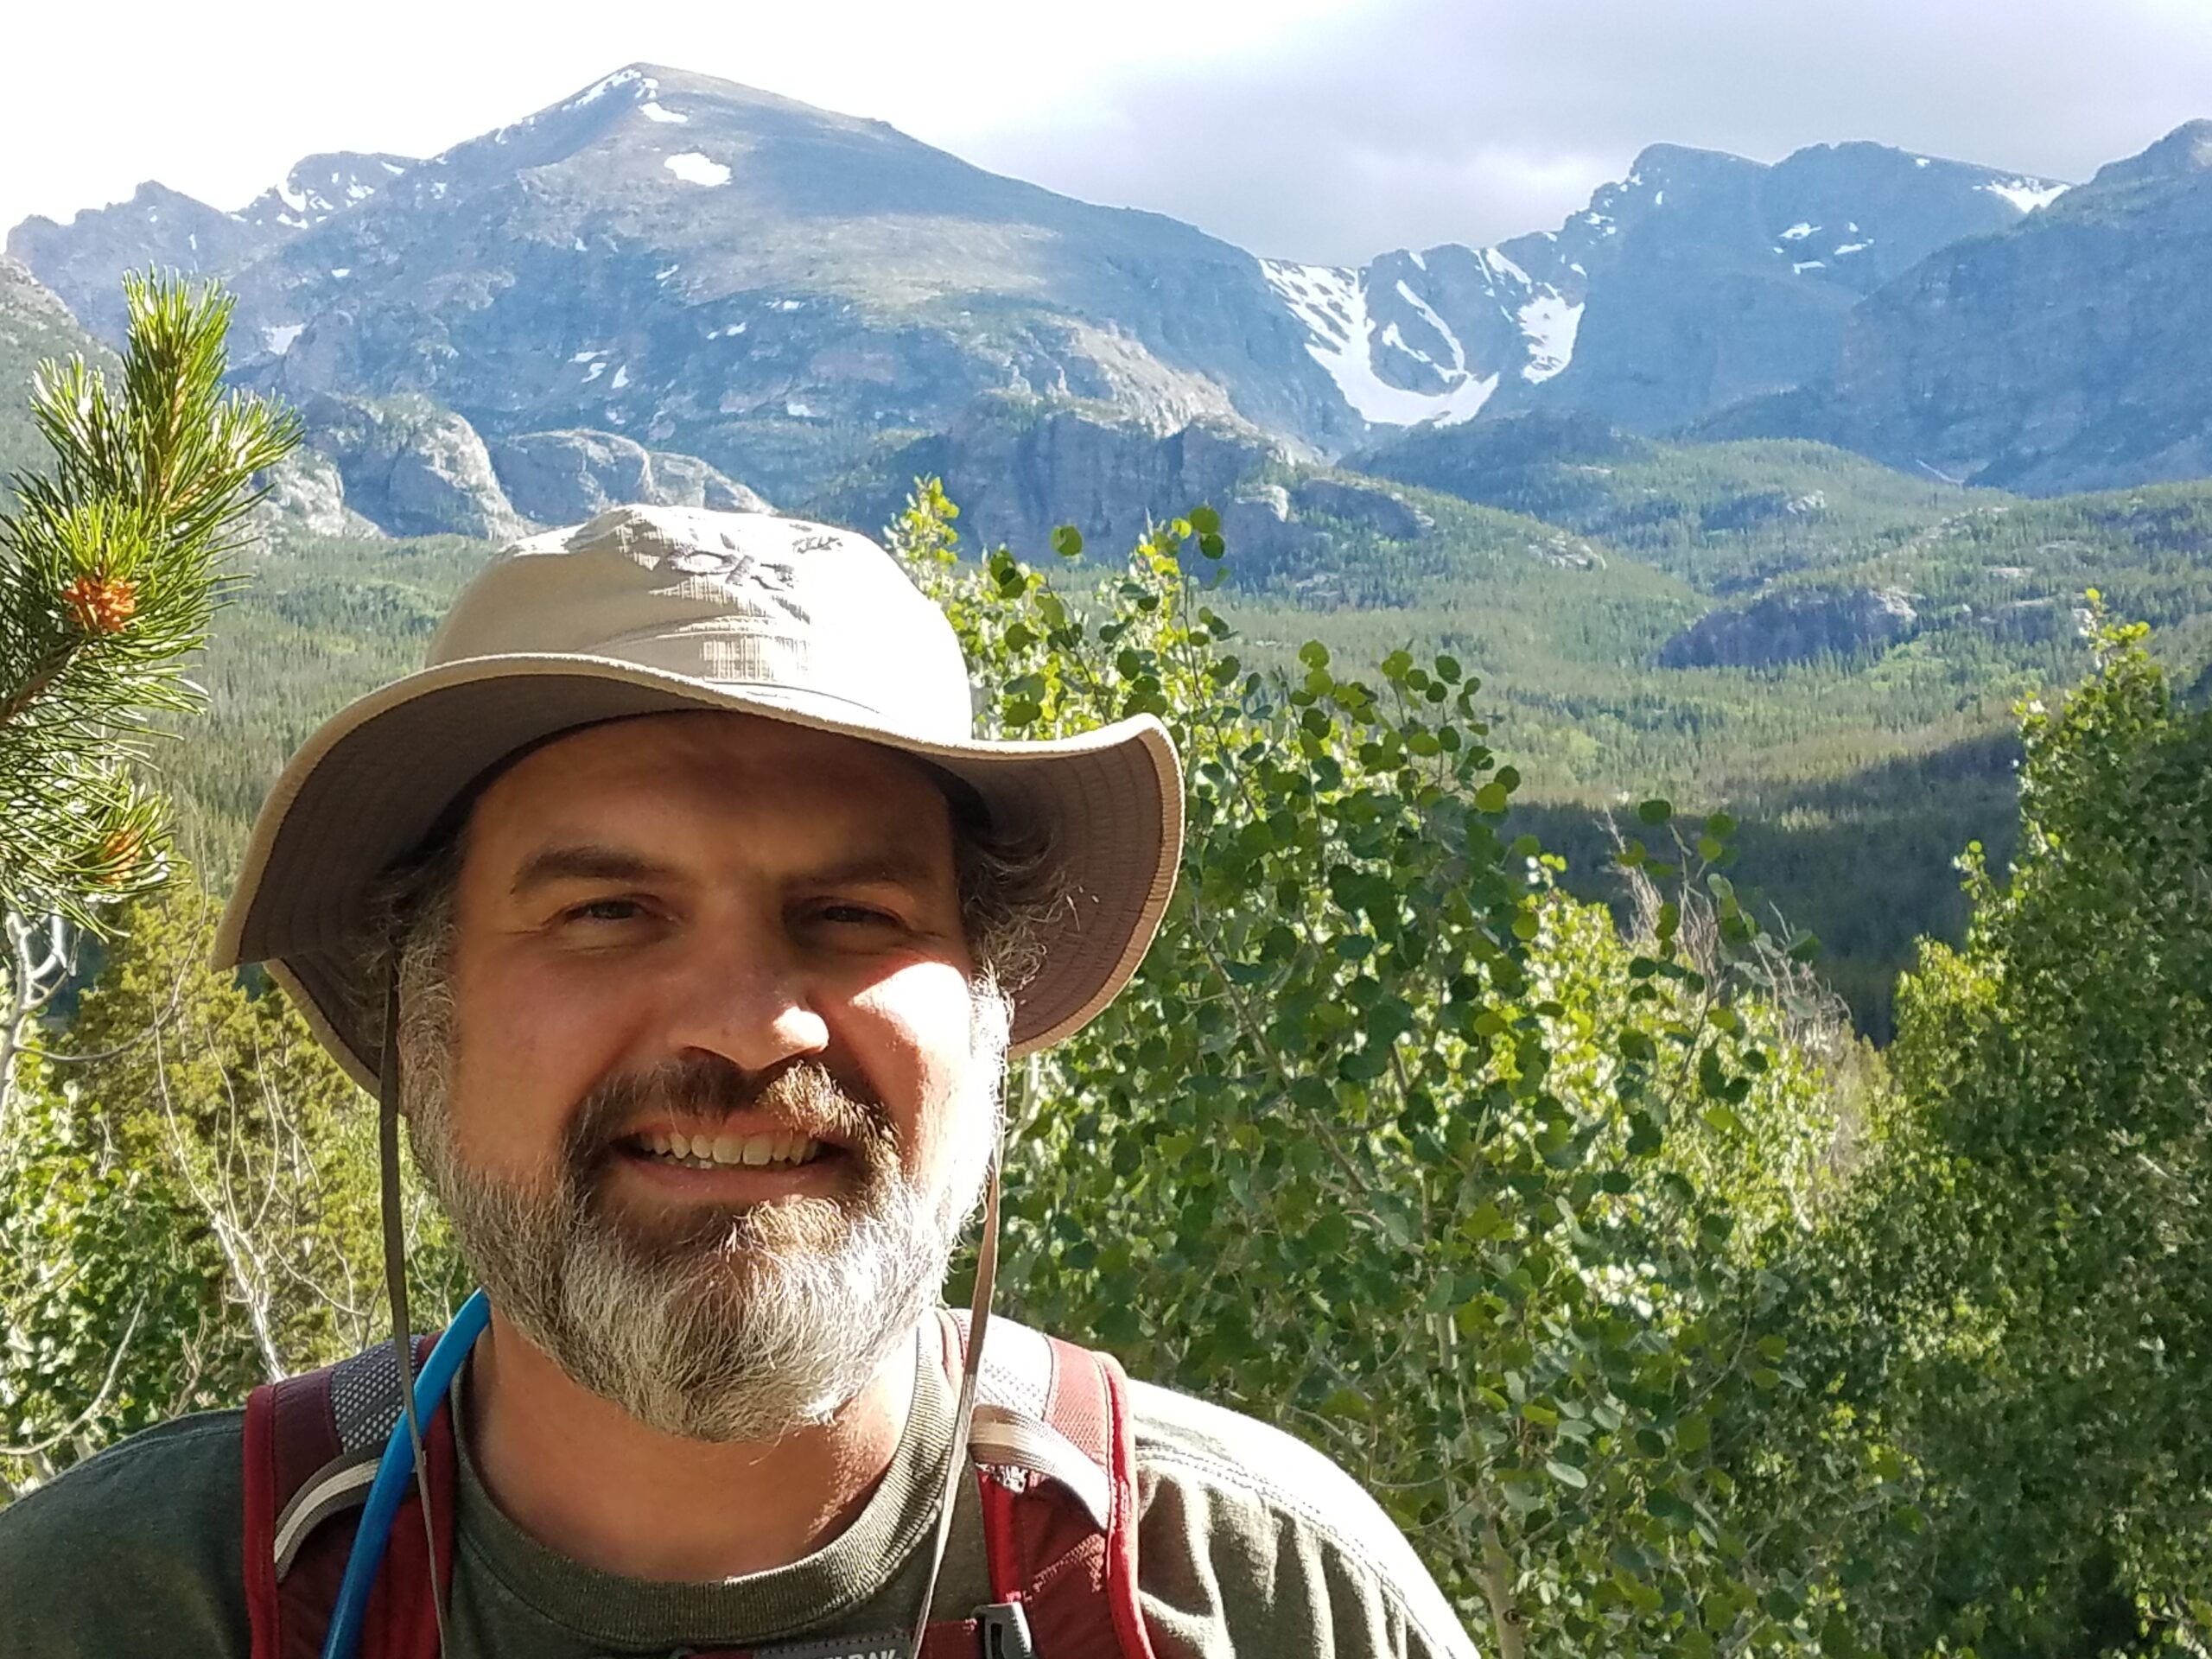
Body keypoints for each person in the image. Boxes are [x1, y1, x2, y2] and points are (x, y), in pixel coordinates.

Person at [0, 505, 1479, 1659]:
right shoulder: (114, 1606)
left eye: (853, 918)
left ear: (985, 1013)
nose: (753, 1026)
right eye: (606, 913)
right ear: (422, 1015)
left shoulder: (1254, 1595)